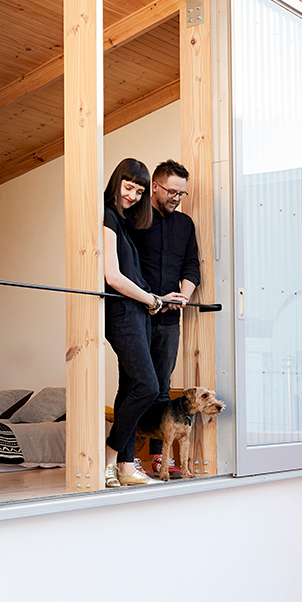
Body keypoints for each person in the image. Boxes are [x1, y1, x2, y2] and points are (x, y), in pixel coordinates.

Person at [103, 159, 187, 488]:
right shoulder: (108, 216)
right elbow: (113, 276)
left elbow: (133, 275)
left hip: (138, 310)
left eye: (138, 191)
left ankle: (125, 465)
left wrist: (158, 299)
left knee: (132, 388)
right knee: (149, 387)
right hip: (122, 311)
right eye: (129, 188)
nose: (133, 196)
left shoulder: (125, 222)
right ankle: (110, 456)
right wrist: (151, 300)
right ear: (116, 183)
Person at [130, 159, 200, 475]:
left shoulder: (185, 225)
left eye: (181, 193)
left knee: (161, 387)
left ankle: (158, 458)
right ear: (155, 187)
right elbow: (126, 269)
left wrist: (183, 296)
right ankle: (126, 458)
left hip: (171, 320)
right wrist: (152, 299)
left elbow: (191, 267)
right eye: (172, 191)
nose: (176, 198)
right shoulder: (133, 219)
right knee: (133, 384)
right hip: (137, 315)